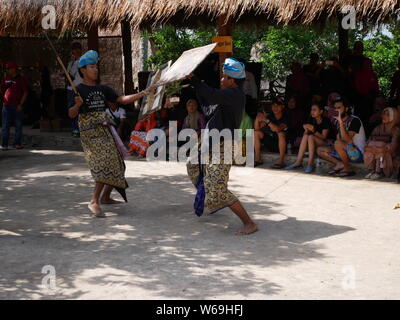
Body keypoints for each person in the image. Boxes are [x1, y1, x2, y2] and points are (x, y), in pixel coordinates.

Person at [68, 50, 152, 217]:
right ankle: (94, 201)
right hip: (90, 132)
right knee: (105, 162)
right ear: (83, 70)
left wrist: (143, 93)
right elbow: (71, 114)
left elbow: (121, 100)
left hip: (104, 129)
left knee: (119, 163)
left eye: (96, 67)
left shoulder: (103, 88)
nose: (95, 70)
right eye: (92, 67)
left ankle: (105, 197)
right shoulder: (78, 90)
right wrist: (77, 105)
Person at [186, 58, 258, 235]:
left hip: (223, 146)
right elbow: (208, 103)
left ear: (233, 81)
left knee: (218, 187)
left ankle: (249, 223)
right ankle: (209, 194)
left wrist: (194, 79)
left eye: (225, 77)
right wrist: (197, 88)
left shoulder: (235, 95)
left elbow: (210, 95)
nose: (221, 79)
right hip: (210, 141)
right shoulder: (226, 96)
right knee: (193, 166)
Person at [317, 97, 366, 177]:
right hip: (344, 150)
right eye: (335, 108)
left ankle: (348, 169)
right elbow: (338, 138)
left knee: (338, 144)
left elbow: (348, 140)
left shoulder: (354, 120)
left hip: (357, 154)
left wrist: (340, 123)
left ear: (346, 109)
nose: (336, 110)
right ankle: (339, 164)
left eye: (339, 108)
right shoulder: (338, 121)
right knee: (320, 150)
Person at [286, 102, 331, 173]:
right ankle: (298, 161)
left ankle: (310, 163)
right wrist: (306, 130)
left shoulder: (326, 121)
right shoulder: (311, 119)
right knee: (307, 135)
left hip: (325, 143)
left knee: (310, 136)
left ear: (321, 111)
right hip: (312, 143)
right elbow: (306, 135)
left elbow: (324, 137)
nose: (312, 112)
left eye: (314, 110)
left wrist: (313, 130)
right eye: (311, 110)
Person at [364, 107, 400, 180]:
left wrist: (381, 149)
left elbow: (393, 147)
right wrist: (371, 148)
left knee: (381, 145)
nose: (384, 116)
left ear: (393, 117)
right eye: (383, 114)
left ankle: (379, 171)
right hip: (376, 151)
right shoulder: (378, 128)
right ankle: (373, 170)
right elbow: (368, 142)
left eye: (387, 114)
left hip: (390, 154)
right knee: (372, 146)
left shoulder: (396, 130)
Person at [254, 97, 289, 169]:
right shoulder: (270, 116)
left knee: (281, 133)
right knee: (256, 133)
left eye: (277, 105)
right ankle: (258, 159)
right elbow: (257, 128)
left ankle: (281, 161)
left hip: (282, 146)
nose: (275, 107)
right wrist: (258, 118)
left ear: (282, 106)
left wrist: (266, 120)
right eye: (273, 105)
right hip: (270, 143)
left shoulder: (286, 117)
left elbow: (278, 129)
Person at [0, 61, 28, 150]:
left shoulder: (21, 79)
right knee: (5, 126)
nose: (8, 70)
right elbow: (1, 89)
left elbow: (25, 92)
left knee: (18, 125)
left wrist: (21, 104)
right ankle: (4, 145)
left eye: (9, 68)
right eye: (7, 68)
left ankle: (17, 144)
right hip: (6, 106)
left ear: (14, 69)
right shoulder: (5, 78)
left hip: (16, 105)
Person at [67, 42, 83, 137]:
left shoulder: (82, 61)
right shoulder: (70, 63)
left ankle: (80, 129)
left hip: (79, 88)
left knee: (80, 109)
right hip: (70, 89)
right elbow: (68, 76)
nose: (77, 51)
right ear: (72, 51)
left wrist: (69, 76)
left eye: (78, 49)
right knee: (72, 109)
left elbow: (72, 75)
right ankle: (75, 129)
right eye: (75, 49)